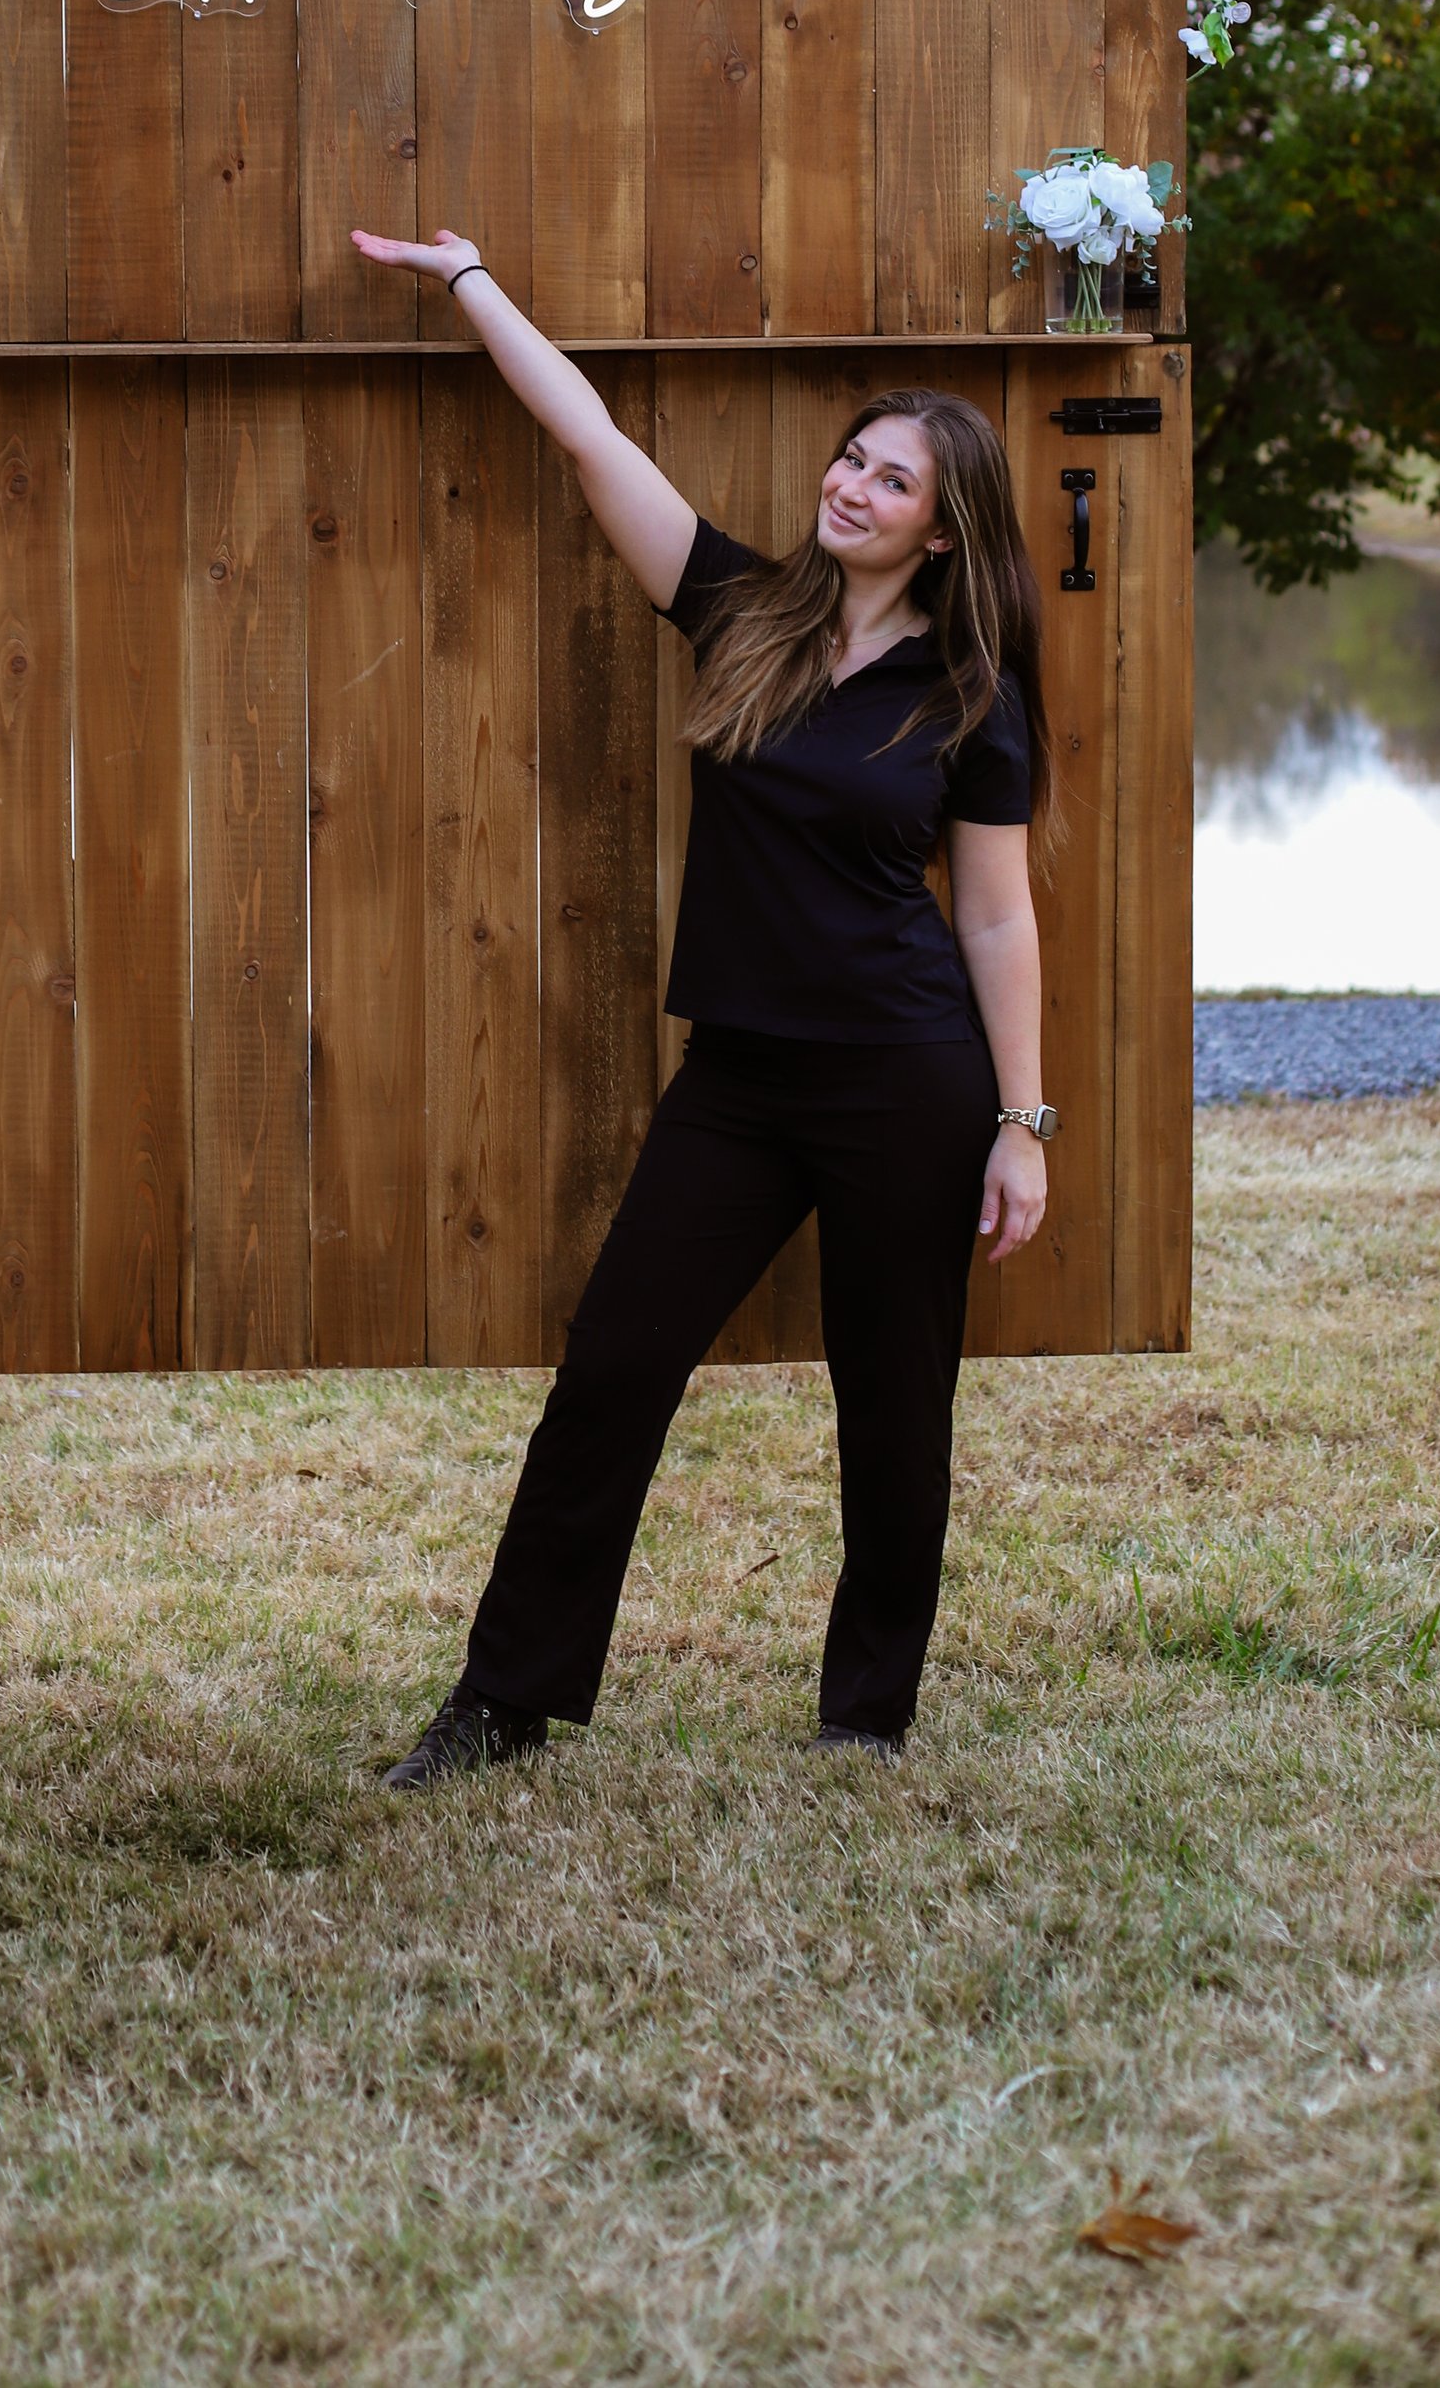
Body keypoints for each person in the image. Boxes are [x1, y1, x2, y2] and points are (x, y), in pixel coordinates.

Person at [353, 223, 1057, 1788]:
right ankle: (502, 1702)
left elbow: (996, 915)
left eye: (891, 481)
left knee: (894, 1408)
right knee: (612, 1369)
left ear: (942, 534)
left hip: (907, 1083)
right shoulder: (742, 611)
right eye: (850, 459)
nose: (852, 487)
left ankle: (866, 1716)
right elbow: (591, 435)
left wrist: (1021, 1122)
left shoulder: (974, 691)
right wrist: (476, 277)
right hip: (737, 1079)